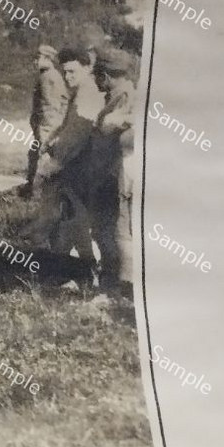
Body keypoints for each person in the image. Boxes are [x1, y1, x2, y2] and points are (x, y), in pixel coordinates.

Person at [25, 47, 103, 268]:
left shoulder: (86, 95)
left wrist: (52, 164)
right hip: (76, 166)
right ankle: (74, 267)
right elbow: (67, 128)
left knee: (79, 220)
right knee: (73, 220)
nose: (67, 77)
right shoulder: (80, 91)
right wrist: (51, 141)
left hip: (81, 167)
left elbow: (76, 136)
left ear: (87, 68)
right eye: (65, 72)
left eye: (72, 72)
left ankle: (87, 269)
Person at [86, 47, 136, 294]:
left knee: (115, 231)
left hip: (115, 174)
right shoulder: (118, 95)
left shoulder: (124, 97)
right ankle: (112, 283)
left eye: (97, 75)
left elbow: (123, 130)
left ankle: (118, 287)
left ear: (105, 75)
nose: (95, 80)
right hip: (108, 173)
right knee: (106, 229)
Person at [20, 45, 69, 197]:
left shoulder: (49, 77)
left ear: (48, 59)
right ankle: (32, 189)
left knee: (43, 158)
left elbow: (50, 105)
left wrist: (44, 128)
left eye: (38, 58)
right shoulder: (49, 75)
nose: (35, 61)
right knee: (35, 155)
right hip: (47, 123)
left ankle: (37, 191)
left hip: (47, 124)